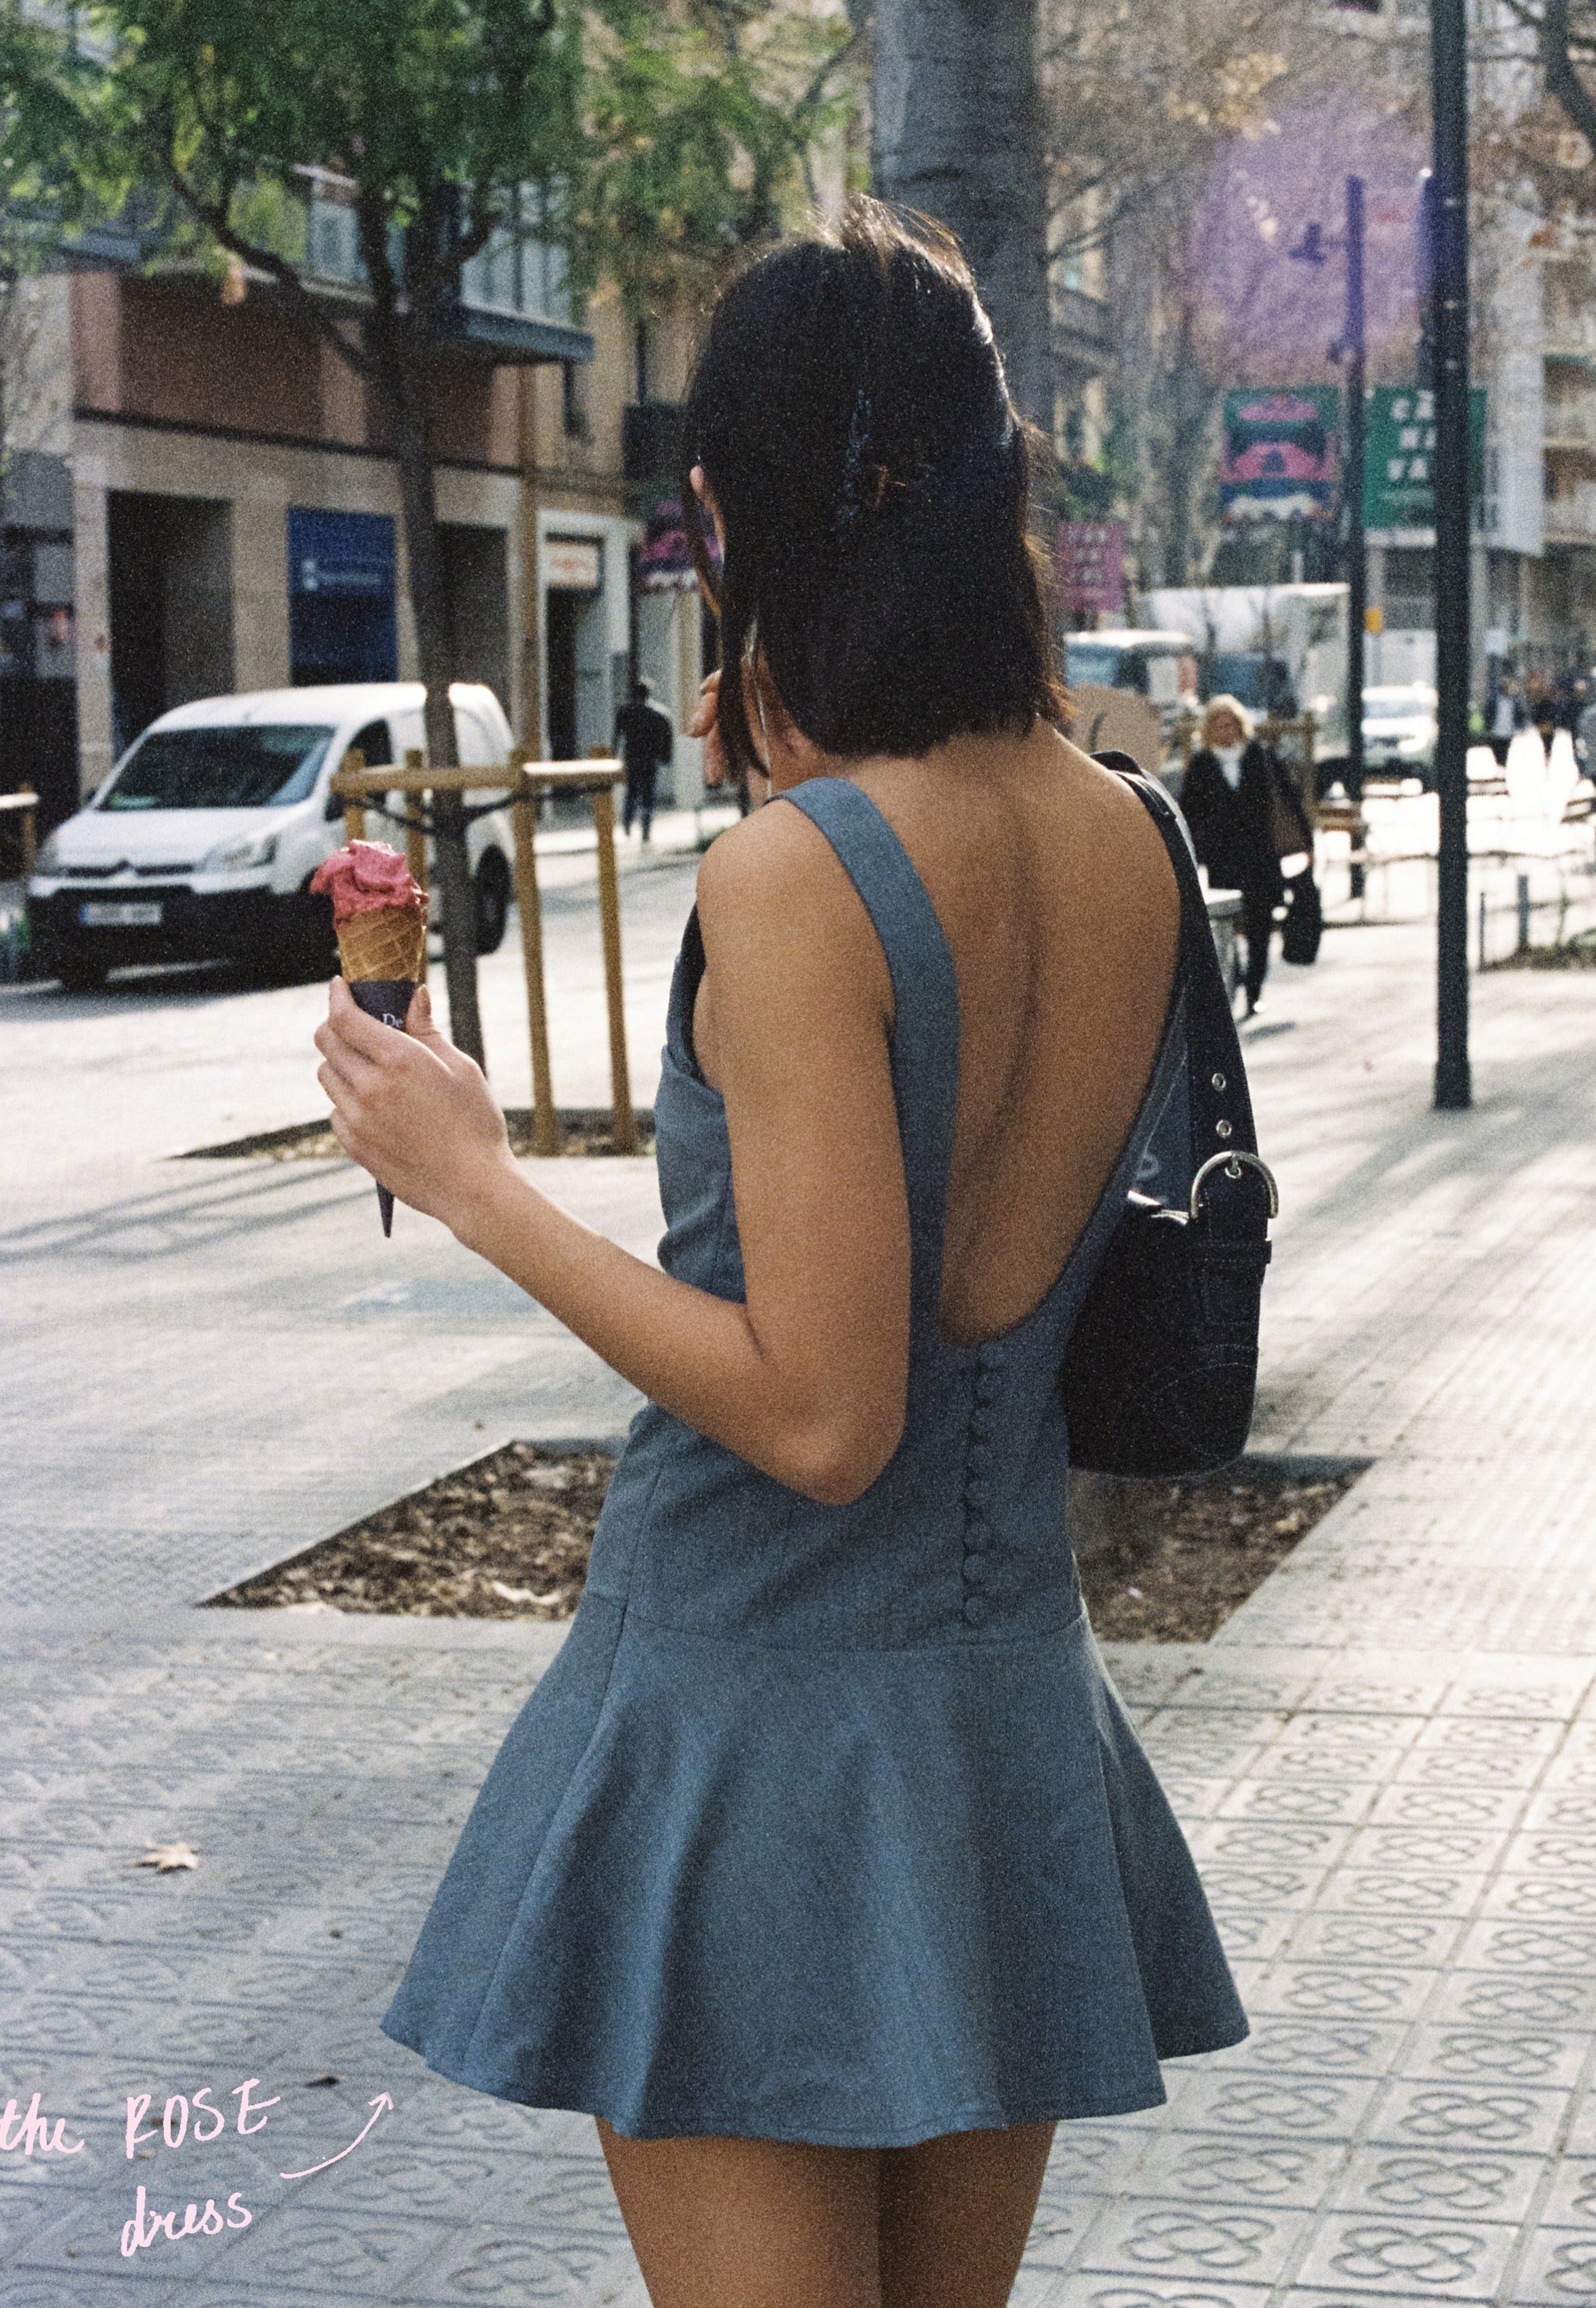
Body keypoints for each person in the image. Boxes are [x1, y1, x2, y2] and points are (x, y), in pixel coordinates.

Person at [316, 199, 1247, 2308]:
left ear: (732, 505)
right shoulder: (1132, 842)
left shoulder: (798, 878)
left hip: (759, 1725)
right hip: (998, 1713)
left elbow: (826, 1413)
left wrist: (477, 1178)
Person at [1181, 694, 1301, 1019]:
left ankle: (1254, 990)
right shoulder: (1203, 765)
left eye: (1229, 724)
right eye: (1217, 725)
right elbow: (1188, 812)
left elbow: (1289, 800)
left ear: (1240, 725)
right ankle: (1232, 986)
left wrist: (1305, 844)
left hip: (1260, 855)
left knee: (1261, 926)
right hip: (1225, 858)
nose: (1224, 731)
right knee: (1228, 928)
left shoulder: (1260, 757)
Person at [616, 677, 674, 842]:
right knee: (648, 796)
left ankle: (627, 823)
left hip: (632, 758)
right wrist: (665, 756)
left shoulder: (625, 711)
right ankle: (646, 832)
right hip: (649, 760)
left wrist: (614, 756)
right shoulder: (658, 713)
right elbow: (667, 737)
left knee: (632, 793)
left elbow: (617, 736)